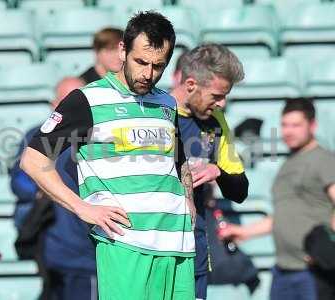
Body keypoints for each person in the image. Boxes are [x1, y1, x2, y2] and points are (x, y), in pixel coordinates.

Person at [21, 11, 198, 300]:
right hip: (127, 244)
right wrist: (82, 208)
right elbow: (33, 160)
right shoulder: (87, 100)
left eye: (158, 66)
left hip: (178, 244)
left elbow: (178, 158)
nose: (147, 73)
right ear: (122, 50)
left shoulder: (166, 102)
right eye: (141, 62)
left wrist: (188, 198)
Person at [220, 99, 335, 300]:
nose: (288, 131)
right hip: (282, 271)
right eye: (284, 125)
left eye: (296, 125)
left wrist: (326, 251)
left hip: (312, 274)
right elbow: (282, 216)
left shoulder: (323, 159)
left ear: (313, 125)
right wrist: (243, 232)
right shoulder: (289, 163)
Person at [170, 44, 249, 300]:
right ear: (191, 84)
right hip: (149, 249)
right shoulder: (152, 113)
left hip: (195, 251)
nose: (222, 103)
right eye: (216, 95)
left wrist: (218, 171)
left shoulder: (215, 122)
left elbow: (239, 191)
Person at [10, 76, 98, 300]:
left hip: (87, 254)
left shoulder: (98, 139)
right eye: (66, 100)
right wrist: (41, 188)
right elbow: (19, 181)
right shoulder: (35, 136)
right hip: (52, 251)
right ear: (54, 105)